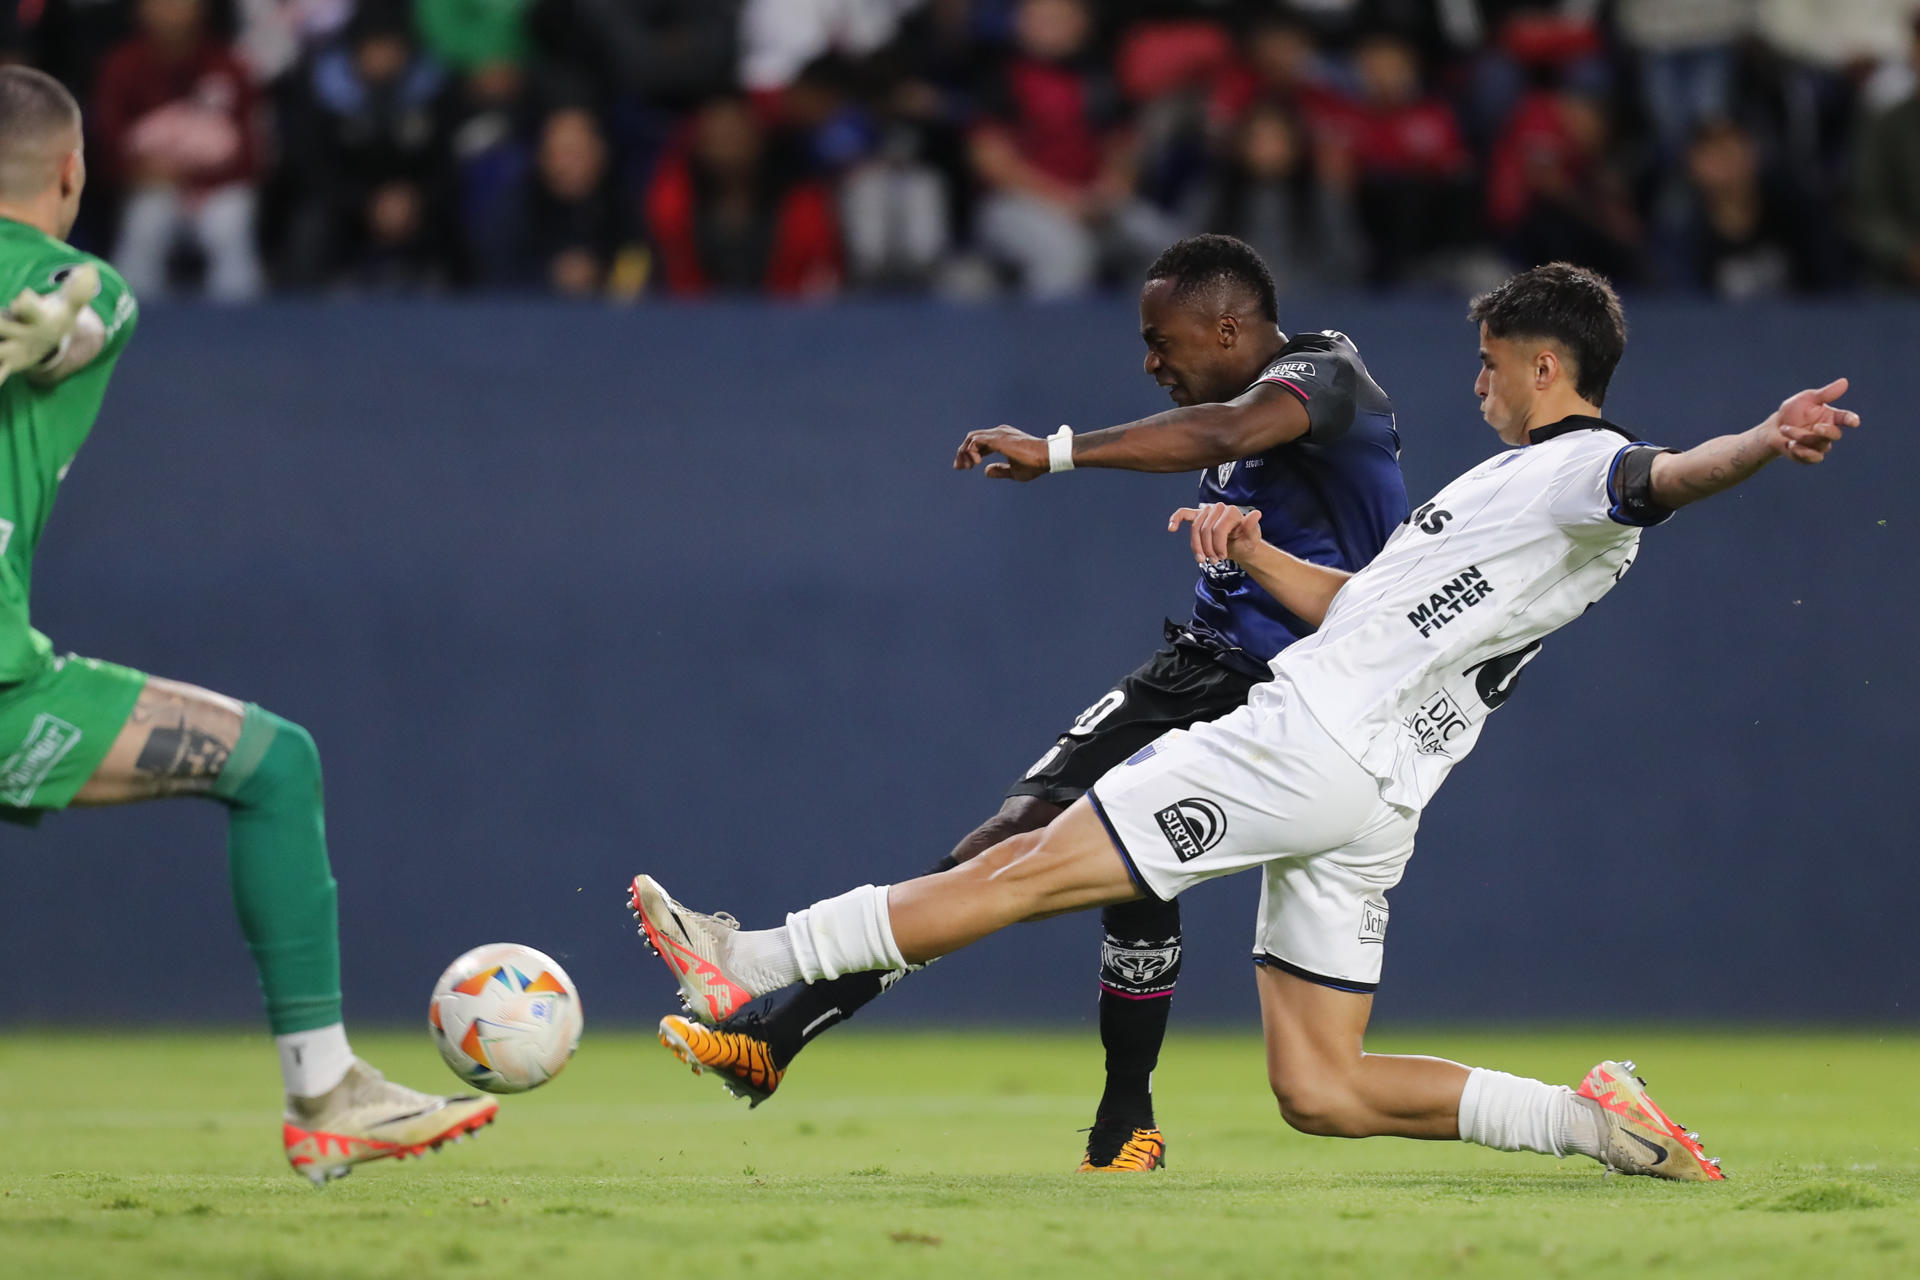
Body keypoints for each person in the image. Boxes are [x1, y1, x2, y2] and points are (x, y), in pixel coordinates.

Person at [630, 260, 1862, 1182]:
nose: (1476, 382)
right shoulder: (1504, 489)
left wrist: (1760, 435)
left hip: (1306, 742)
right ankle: (1598, 1122)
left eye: (1491, 363)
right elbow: (1362, 609)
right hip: (1379, 794)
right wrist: (1262, 549)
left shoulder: (1580, 470)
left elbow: (1665, 477)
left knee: (1020, 868)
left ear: (1546, 366)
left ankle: (750, 962)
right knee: (1320, 1088)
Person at [645, 233, 1409, 1172]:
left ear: (1226, 327)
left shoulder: (1325, 381)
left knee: (1114, 866)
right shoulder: (1256, 395)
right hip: (1201, 667)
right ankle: (782, 1040)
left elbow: (1224, 435)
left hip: (1297, 697)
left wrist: (1056, 451)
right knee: (1022, 835)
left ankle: (1111, 1111)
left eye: (1161, 340)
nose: (1151, 362)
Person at [0, 65, 496, 1184]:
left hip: (14, 680)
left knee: (274, 761)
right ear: (74, 172)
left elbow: (40, 336)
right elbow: (65, 326)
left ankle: (334, 1092)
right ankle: (324, 1090)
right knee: (274, 764)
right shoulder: (81, 281)